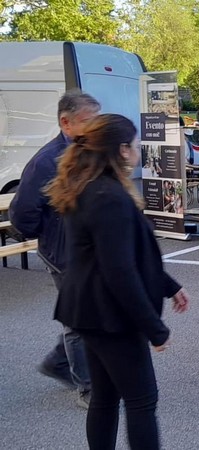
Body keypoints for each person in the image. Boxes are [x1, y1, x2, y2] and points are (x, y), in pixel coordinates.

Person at [45, 114, 190, 449]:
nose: (138, 151)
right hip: (109, 315)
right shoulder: (108, 196)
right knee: (141, 401)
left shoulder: (88, 186)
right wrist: (154, 327)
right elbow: (120, 272)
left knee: (106, 398)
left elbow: (125, 257)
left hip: (89, 310)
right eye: (135, 145)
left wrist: (170, 286)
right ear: (122, 150)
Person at [9, 91, 99, 408]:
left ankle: (58, 362)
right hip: (63, 253)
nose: (96, 127)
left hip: (86, 249)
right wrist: (51, 235)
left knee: (88, 311)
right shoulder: (47, 161)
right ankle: (88, 387)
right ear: (66, 122)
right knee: (78, 320)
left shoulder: (89, 150)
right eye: (89, 121)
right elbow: (21, 213)